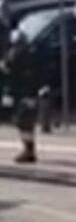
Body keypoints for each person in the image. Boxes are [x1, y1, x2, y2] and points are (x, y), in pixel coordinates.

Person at [4, 31, 39, 164]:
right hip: (23, 92)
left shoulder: (20, 56)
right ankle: (29, 149)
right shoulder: (29, 54)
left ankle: (29, 150)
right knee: (24, 122)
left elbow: (14, 73)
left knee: (23, 122)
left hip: (24, 93)